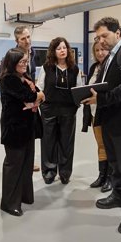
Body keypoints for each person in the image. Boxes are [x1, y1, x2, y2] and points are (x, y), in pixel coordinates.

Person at [82, 17, 121, 235]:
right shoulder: (110, 56)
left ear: (117, 32)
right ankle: (119, 195)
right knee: (116, 163)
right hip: (109, 119)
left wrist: (101, 98)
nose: (101, 40)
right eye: (97, 37)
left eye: (104, 35)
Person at [0, 48, 45, 217]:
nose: (25, 65)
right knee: (14, 166)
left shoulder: (24, 78)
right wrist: (36, 96)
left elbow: (37, 95)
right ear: (12, 63)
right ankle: (9, 203)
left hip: (28, 127)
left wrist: (36, 96)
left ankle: (24, 196)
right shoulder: (8, 79)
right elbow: (31, 95)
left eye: (26, 61)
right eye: (21, 62)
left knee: (26, 164)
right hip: (14, 128)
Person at [37, 37, 82, 185]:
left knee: (66, 143)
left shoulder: (75, 69)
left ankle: (65, 173)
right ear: (53, 51)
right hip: (49, 110)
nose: (62, 50)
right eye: (58, 48)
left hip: (68, 111)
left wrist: (76, 105)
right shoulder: (46, 67)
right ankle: (49, 172)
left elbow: (79, 90)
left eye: (64, 48)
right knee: (48, 142)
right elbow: (40, 88)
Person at [0, 25, 40, 172]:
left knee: (29, 136)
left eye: (28, 37)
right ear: (17, 40)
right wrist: (21, 87)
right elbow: (2, 82)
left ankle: (28, 161)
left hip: (30, 101)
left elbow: (31, 77)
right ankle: (19, 161)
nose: (27, 41)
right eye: (23, 38)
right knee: (16, 148)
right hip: (17, 103)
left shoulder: (32, 55)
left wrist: (34, 95)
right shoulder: (10, 57)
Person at [81, 39, 112, 193]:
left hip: (106, 113)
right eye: (97, 50)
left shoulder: (111, 67)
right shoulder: (94, 67)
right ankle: (102, 176)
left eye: (103, 50)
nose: (100, 53)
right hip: (94, 113)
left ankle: (110, 178)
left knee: (109, 146)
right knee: (101, 145)